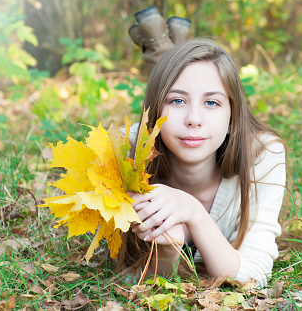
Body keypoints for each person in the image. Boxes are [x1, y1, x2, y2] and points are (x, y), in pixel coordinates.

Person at [119, 19, 286, 287]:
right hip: (155, 131)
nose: (194, 119)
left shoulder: (264, 154)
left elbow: (254, 275)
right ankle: (163, 55)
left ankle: (162, 49)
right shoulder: (127, 151)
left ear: (233, 118)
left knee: (177, 81)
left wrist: (193, 213)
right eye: (176, 100)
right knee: (169, 82)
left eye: (212, 102)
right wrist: (168, 246)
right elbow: (131, 270)